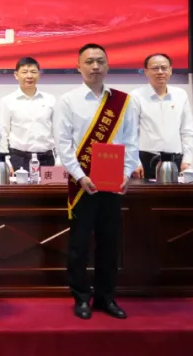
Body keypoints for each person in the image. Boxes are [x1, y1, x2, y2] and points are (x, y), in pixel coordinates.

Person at [54, 44, 139, 320]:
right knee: (79, 244)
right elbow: (63, 144)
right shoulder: (68, 101)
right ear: (78, 66)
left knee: (109, 244)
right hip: (82, 184)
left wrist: (126, 173)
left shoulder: (123, 101)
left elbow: (131, 141)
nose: (95, 66)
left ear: (108, 66)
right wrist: (80, 176)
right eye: (89, 61)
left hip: (113, 184)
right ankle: (81, 297)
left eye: (100, 61)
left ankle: (106, 297)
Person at [131, 53, 193, 180]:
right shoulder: (136, 96)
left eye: (164, 68)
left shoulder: (180, 94)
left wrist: (187, 160)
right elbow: (130, 133)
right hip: (145, 161)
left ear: (170, 70)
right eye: (155, 68)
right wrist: (135, 162)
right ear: (146, 71)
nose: (160, 72)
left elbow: (187, 130)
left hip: (176, 160)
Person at [0, 56, 55, 172]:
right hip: (19, 159)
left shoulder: (50, 100)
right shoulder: (7, 101)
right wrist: (5, 160)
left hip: (47, 159)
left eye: (33, 72)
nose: (29, 76)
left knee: (50, 185)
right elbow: (3, 132)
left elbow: (57, 131)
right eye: (24, 72)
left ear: (39, 75)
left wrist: (59, 158)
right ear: (16, 75)